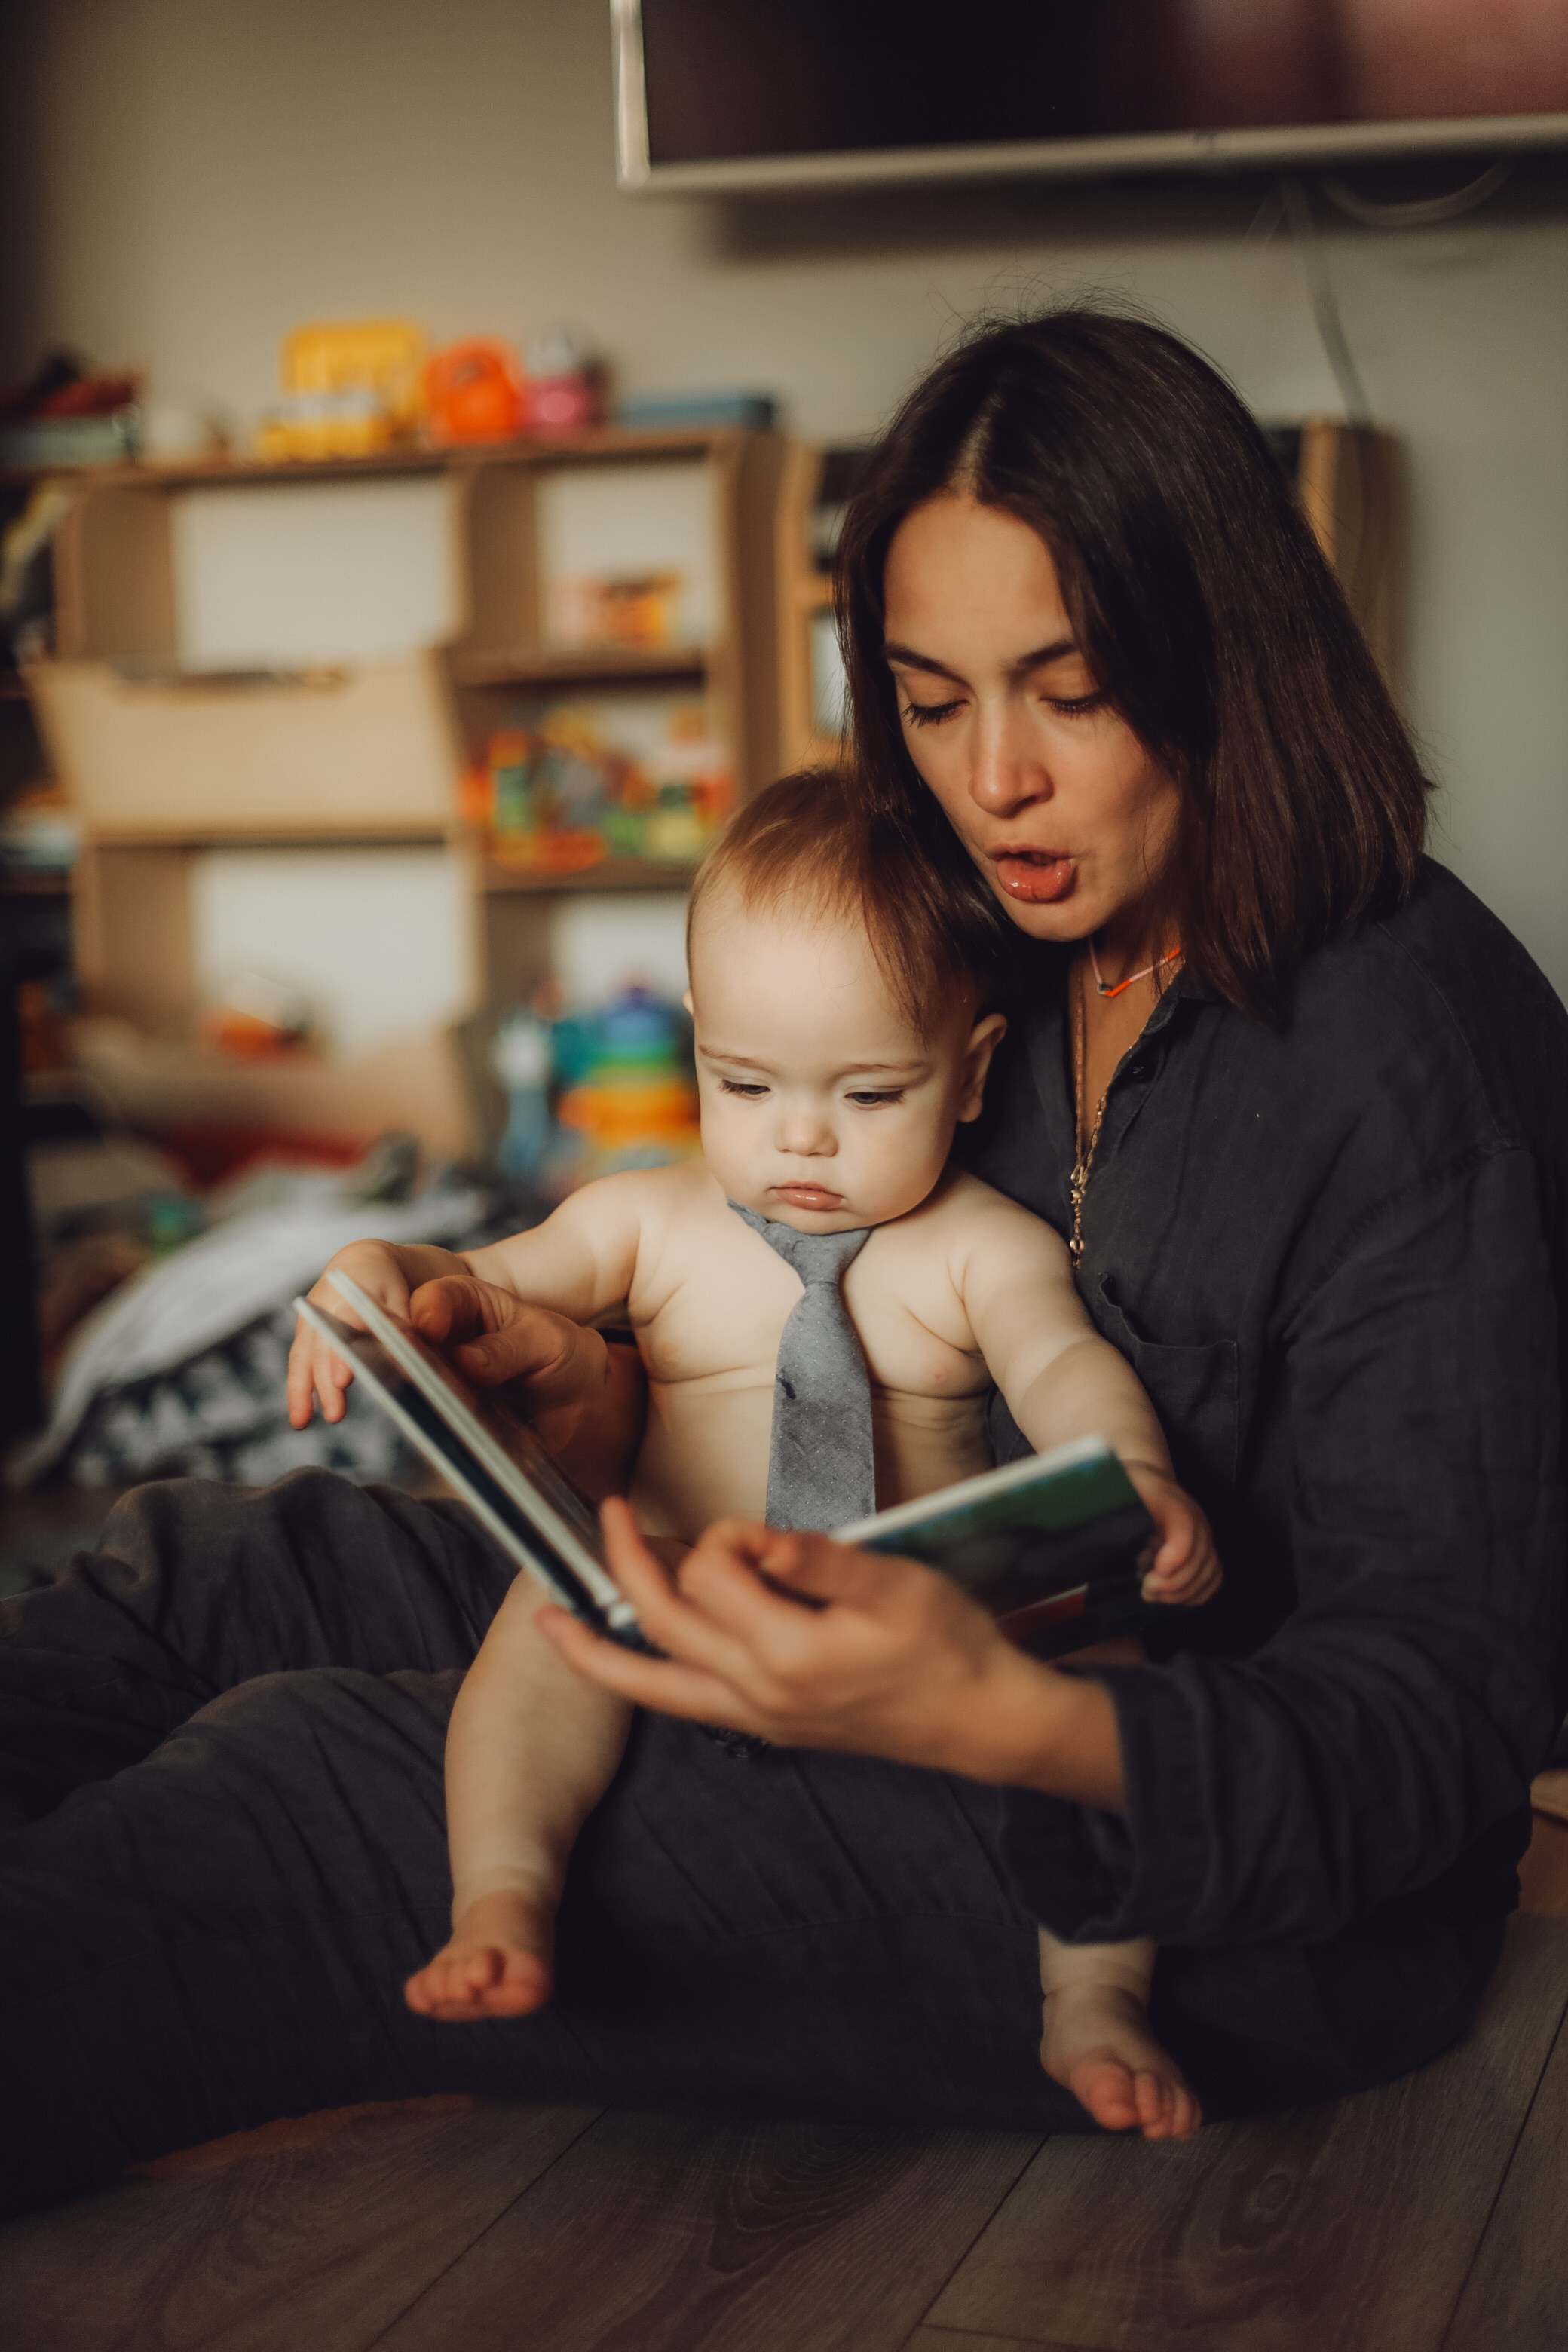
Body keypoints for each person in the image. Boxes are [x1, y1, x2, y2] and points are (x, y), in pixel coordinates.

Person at [1, 307, 1563, 2220]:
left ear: (1219, 655)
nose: (991, 780)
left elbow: (1444, 1712)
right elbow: (793, 1345)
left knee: (313, 1798)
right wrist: (590, 1395)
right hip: (831, 1622)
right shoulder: (982, 936)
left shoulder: (1407, 1053)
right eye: (927, 697)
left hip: (1189, 1879)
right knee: (212, 1573)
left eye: (1066, 692)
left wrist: (996, 1719)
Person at [286, 772, 1219, 2139]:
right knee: (541, 1625)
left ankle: (1091, 1993)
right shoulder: (650, 1221)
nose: (800, 1136)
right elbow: (476, 1276)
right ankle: (503, 1896)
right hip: (681, 1585)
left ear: (968, 1073)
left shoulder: (976, 1248)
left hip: (919, 1613)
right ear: (699, 1054)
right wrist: (379, 1270)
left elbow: (1064, 1365)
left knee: (1105, 1669)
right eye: (745, 1081)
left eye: (868, 1090)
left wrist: (1131, 1478)